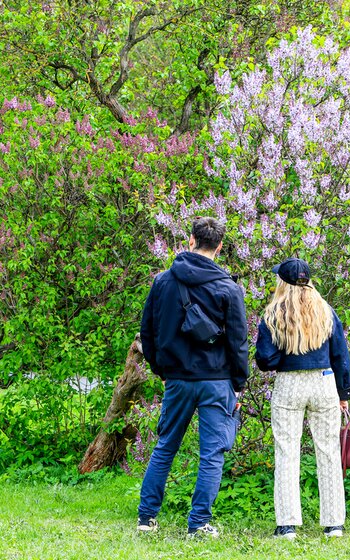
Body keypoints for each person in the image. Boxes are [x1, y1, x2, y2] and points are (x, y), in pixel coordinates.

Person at [137, 217, 249, 538]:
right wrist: (238, 383)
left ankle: (146, 518)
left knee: (165, 447)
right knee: (211, 455)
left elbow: (147, 332)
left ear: (190, 240)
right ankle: (198, 524)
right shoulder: (229, 288)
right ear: (220, 246)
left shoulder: (163, 282)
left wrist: (161, 370)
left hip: (178, 379)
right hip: (217, 380)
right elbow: (238, 341)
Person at [255, 257, 350, 540]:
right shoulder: (326, 310)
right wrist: (343, 393)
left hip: (290, 383)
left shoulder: (274, 313)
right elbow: (340, 356)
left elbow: (265, 360)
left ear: (282, 282)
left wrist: (283, 352)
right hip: (324, 381)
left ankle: (287, 525)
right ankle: (334, 523)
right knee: (329, 451)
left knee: (287, 452)